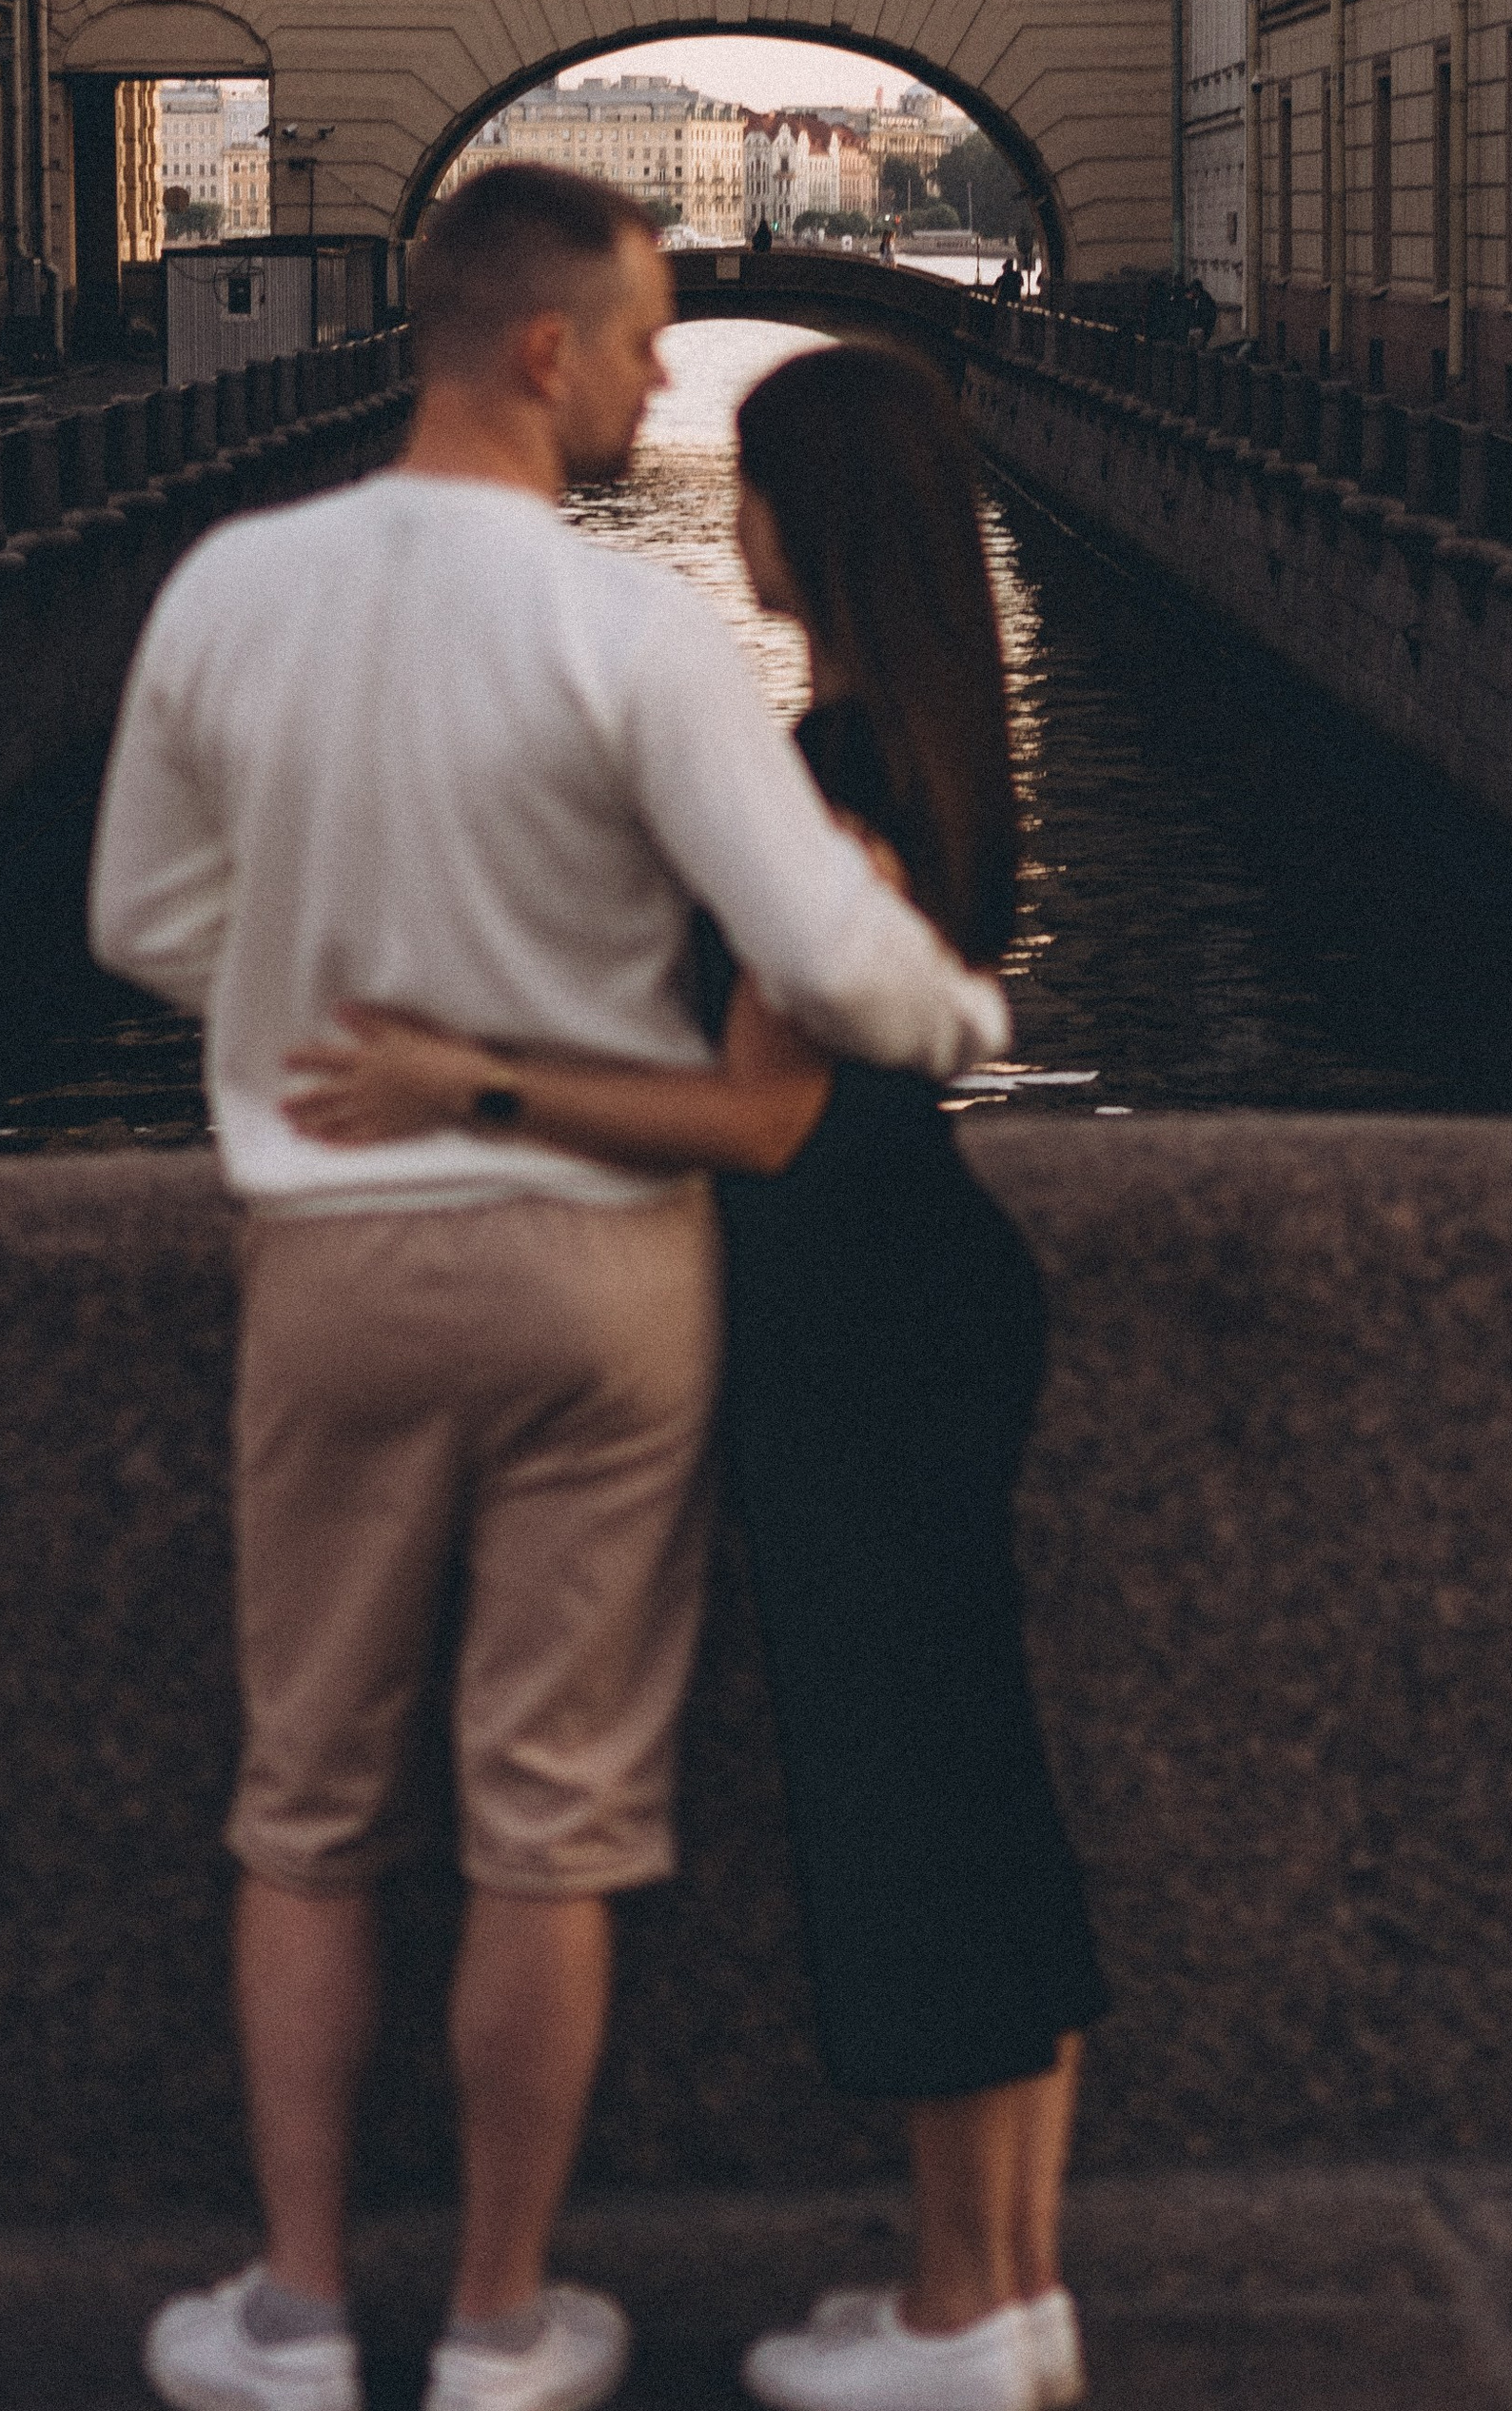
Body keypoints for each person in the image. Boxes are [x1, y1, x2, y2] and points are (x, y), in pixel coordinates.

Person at [89, 170, 1009, 2411]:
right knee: (552, 1817)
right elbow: (821, 957)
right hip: (604, 1279)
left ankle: (298, 2312)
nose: (647, 379)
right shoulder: (635, 640)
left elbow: (139, 919)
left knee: (307, 1807)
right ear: (538, 348)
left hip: (335, 1252)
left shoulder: (236, 584)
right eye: (637, 342)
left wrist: (301, 1001)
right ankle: (503, 2322)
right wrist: (955, 1017)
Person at [284, 341, 1106, 2411]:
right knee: (972, 1780)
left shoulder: (833, 772)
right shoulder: (934, 741)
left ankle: (959, 2316)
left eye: (738, 478)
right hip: (928, 1298)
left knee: (906, 1799)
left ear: (810, 518)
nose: (715, 510)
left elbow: (756, 1120)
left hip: (853, 1329)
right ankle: (1005, 2291)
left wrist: (453, 1075)